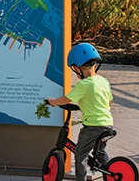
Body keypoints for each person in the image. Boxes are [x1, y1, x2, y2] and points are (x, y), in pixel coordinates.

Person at [46, 43, 114, 181]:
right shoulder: (104, 81)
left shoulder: (83, 85)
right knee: (100, 152)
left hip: (93, 126)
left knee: (80, 155)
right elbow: (109, 101)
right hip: (107, 124)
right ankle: (112, 171)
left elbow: (67, 99)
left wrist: (53, 102)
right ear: (95, 65)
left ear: (77, 68)